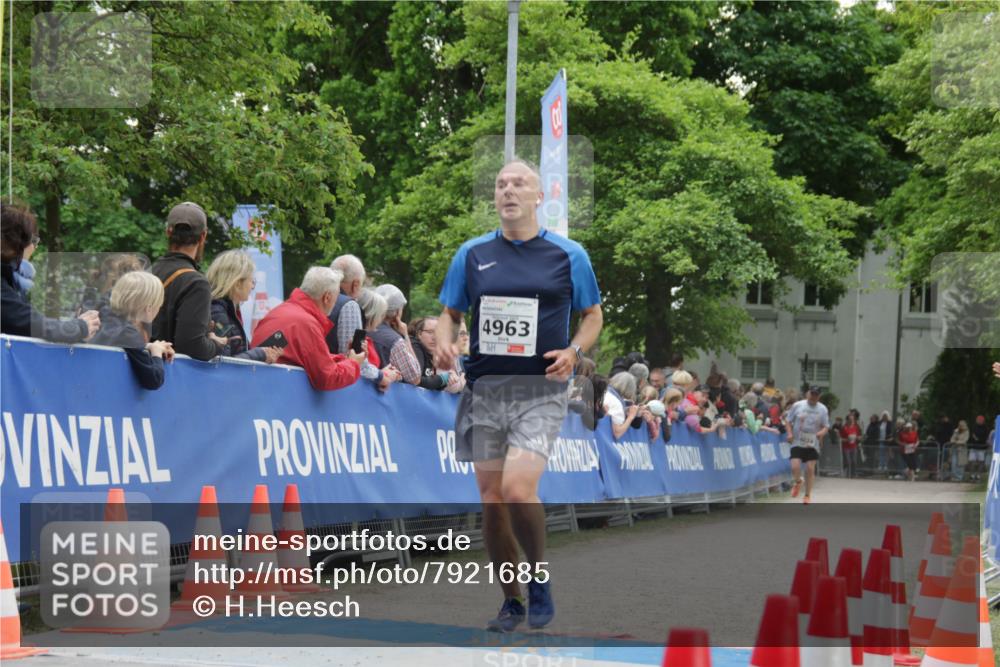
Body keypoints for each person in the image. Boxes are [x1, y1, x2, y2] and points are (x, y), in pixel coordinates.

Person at [433, 159, 603, 633]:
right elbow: (449, 312)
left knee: (515, 489)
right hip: (484, 389)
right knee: (491, 501)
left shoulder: (570, 255)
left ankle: (538, 576)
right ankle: (512, 600)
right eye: (501, 184)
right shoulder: (472, 253)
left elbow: (592, 315)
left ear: (538, 196)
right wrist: (446, 339)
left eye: (519, 184)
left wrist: (573, 351)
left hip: (539, 390)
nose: (508, 191)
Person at [249, 267, 366, 391]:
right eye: (336, 297)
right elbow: (327, 378)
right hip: (279, 397)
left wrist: (345, 359)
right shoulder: (307, 324)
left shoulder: (280, 311)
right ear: (327, 298)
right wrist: (353, 364)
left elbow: (311, 358)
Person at [1, 202, 100, 342]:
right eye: (32, 240)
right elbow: (34, 324)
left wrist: (76, 329)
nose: (33, 247)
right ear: (13, 244)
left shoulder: (9, 282)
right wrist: (81, 327)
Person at [150, 202, 228, 360]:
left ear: (168, 232)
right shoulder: (196, 283)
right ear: (203, 236)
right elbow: (192, 346)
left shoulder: (146, 272)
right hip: (171, 377)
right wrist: (216, 345)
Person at [90, 272, 174, 389]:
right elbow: (154, 380)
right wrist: (157, 353)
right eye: (159, 306)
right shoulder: (129, 333)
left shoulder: (103, 320)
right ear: (149, 309)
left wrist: (146, 346)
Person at [206, 250, 282, 364]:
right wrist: (260, 354)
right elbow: (224, 363)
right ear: (237, 283)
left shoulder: (225, 310)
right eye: (252, 281)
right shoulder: (218, 312)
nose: (252, 286)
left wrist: (263, 354)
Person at [367, 283, 421, 385]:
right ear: (397, 312)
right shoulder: (395, 341)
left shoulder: (360, 326)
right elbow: (415, 378)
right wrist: (405, 336)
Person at [785, 386, 830, 504]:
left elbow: (826, 426)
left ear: (819, 396)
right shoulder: (798, 405)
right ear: (808, 393)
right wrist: (789, 433)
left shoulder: (823, 409)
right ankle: (798, 481)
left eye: (816, 394)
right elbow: (788, 421)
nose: (813, 396)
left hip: (812, 443)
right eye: (812, 393)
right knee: (795, 467)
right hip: (798, 441)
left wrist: (821, 433)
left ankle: (807, 495)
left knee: (810, 469)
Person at [354, 288, 402, 392]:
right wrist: (384, 375)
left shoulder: (366, 338)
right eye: (381, 315)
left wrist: (386, 373)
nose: (381, 320)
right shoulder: (358, 339)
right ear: (373, 315)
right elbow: (359, 370)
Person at [325, 254, 367, 355]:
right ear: (355, 284)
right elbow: (352, 356)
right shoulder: (349, 306)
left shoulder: (315, 296)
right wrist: (381, 372)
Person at [409, 316, 462, 392]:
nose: (434, 337)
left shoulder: (433, 354)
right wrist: (443, 378)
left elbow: (432, 386)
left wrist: (448, 381)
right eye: (430, 332)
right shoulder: (415, 347)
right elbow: (417, 380)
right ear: (419, 334)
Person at [968, 415, 991, 481]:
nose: (978, 421)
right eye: (977, 420)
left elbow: (985, 437)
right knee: (972, 461)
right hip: (973, 447)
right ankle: (972, 475)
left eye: (979, 420)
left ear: (982, 421)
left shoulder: (985, 428)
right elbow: (971, 436)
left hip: (981, 448)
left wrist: (978, 439)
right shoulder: (973, 427)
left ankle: (978, 475)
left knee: (981, 462)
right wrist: (974, 439)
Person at [840, 414, 861, 479]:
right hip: (846, 447)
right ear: (847, 420)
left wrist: (858, 438)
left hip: (854, 447)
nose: (851, 420)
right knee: (848, 461)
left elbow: (859, 436)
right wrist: (846, 439)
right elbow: (840, 439)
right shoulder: (844, 428)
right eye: (850, 419)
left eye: (852, 419)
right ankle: (847, 475)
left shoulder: (856, 427)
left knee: (854, 461)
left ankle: (853, 475)